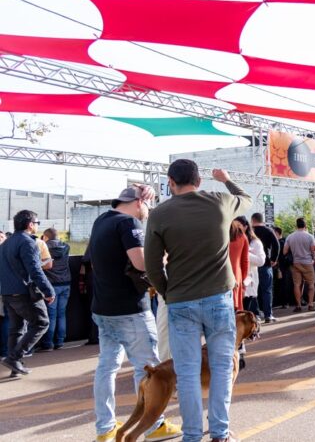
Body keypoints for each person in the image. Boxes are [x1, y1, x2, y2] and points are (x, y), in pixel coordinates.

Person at [145, 161, 251, 442]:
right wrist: (226, 179)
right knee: (221, 369)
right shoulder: (220, 202)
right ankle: (219, 432)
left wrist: (168, 291)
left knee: (188, 372)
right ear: (199, 181)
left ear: (170, 181)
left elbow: (152, 265)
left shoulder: (159, 213)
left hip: (181, 300)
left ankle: (191, 435)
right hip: (218, 299)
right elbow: (247, 198)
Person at [87, 186, 181, 442]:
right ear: (139, 202)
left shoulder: (101, 221)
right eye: (148, 205)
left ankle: (105, 428)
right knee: (148, 369)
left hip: (103, 308)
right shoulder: (128, 223)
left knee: (107, 367)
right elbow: (141, 262)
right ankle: (153, 427)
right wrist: (163, 258)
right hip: (130, 309)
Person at [0, 210, 54, 376]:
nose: (37, 226)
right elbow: (35, 270)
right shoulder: (28, 242)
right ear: (30, 224)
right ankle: (14, 358)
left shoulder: (6, 244)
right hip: (25, 293)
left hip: (8, 293)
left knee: (17, 329)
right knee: (41, 323)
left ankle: (15, 367)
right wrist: (48, 290)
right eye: (36, 223)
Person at [36, 228, 70, 352]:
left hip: (52, 285)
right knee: (61, 314)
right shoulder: (66, 246)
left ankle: (47, 343)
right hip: (66, 283)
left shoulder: (44, 247)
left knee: (51, 315)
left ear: (45, 237)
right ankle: (60, 342)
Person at [250, 213, 279, 324]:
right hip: (265, 264)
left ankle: (255, 314)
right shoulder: (268, 230)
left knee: (253, 291)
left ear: (252, 220)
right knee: (267, 290)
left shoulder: (249, 231)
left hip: (251, 265)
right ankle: (268, 315)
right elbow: (276, 244)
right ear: (262, 220)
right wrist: (274, 259)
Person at [283, 218, 315, 313]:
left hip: (295, 263)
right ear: (305, 226)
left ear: (296, 225)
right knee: (311, 284)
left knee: (297, 284)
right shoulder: (310, 236)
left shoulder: (290, 237)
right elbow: (313, 251)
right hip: (308, 263)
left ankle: (298, 305)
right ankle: (310, 304)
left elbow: (284, 251)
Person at [236, 216, 264, 317]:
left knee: (246, 312)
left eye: (238, 226)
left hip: (249, 280)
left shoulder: (255, 242)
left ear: (246, 227)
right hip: (236, 281)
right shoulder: (232, 241)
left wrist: (245, 253)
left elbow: (261, 261)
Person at [228, 219, 249, 311]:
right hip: (235, 277)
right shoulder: (241, 235)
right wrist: (243, 281)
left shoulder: (215, 233)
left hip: (216, 279)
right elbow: (245, 261)